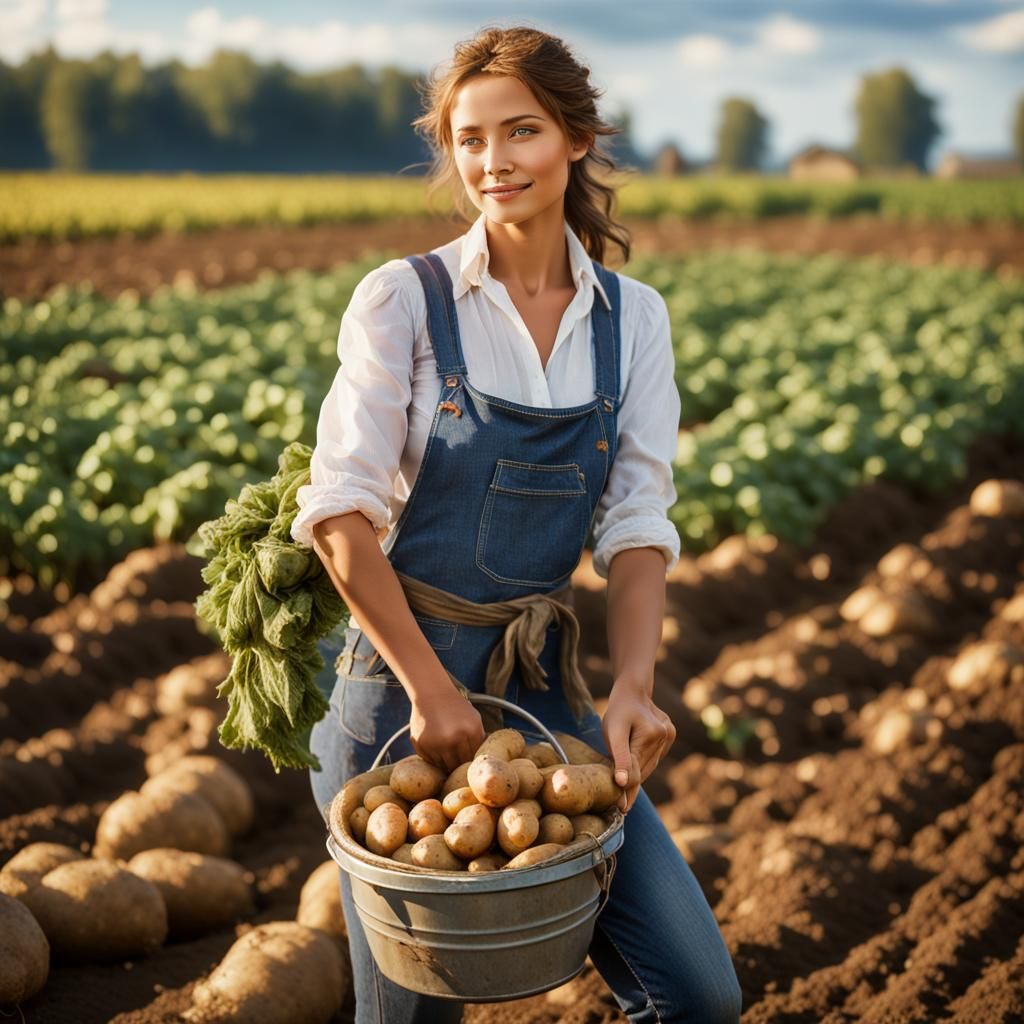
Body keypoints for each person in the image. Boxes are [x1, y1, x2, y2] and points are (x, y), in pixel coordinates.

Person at [290, 24, 743, 1024]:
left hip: (540, 691)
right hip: (396, 706)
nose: (493, 161)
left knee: (698, 994)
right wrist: (429, 690)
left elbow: (636, 521)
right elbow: (339, 516)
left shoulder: (633, 318)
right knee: (413, 1014)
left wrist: (633, 687)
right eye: (470, 139)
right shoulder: (404, 301)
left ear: (576, 138)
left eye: (521, 131)